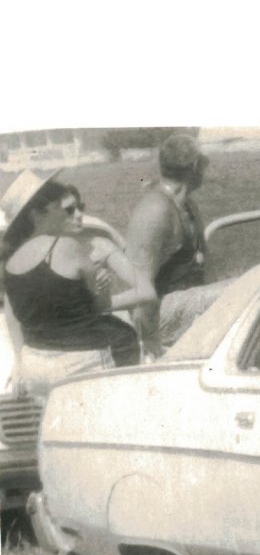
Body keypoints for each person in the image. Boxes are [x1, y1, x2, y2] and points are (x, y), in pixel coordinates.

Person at [2, 171, 155, 396]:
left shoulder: (12, 261)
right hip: (81, 359)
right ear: (37, 215)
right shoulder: (68, 246)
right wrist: (102, 293)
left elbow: (16, 314)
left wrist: (19, 360)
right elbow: (98, 305)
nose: (78, 216)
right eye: (65, 209)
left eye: (79, 207)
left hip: (36, 362)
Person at [125, 132, 224, 348]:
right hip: (162, 317)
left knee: (249, 292)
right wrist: (147, 345)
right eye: (204, 163)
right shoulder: (155, 211)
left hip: (188, 306)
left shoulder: (188, 205)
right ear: (196, 166)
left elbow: (208, 270)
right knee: (247, 291)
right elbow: (137, 286)